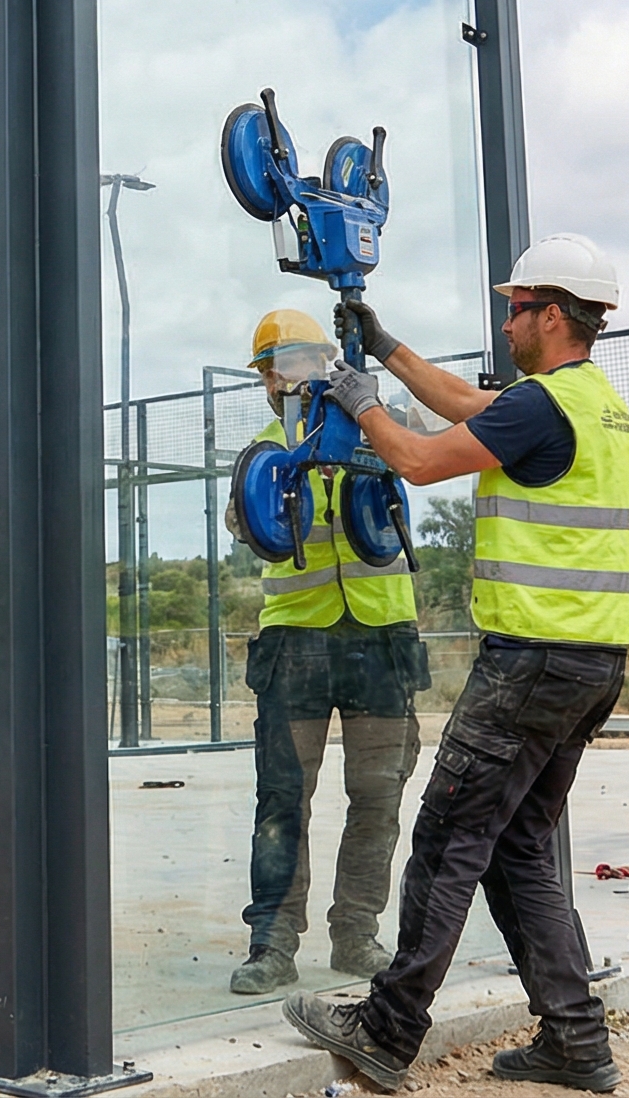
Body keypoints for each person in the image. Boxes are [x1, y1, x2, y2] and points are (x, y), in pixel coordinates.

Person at [280, 234, 629, 1094]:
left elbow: (418, 460)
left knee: (448, 839)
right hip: (590, 662)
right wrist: (385, 345)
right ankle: (575, 1041)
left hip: (532, 663)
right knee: (519, 846)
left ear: (552, 316)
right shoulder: (591, 401)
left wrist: (364, 404)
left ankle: (386, 1029)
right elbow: (471, 404)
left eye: (518, 309)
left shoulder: (542, 405)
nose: (507, 321)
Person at [228, 308, 424, 996]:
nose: (278, 382)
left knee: (378, 796)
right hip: (296, 641)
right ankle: (272, 943)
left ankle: (357, 934)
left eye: (289, 365)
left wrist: (372, 403)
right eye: (269, 372)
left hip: (382, 636)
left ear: (324, 361)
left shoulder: (378, 423)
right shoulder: (262, 450)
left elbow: (434, 438)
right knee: (282, 798)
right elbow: (244, 522)